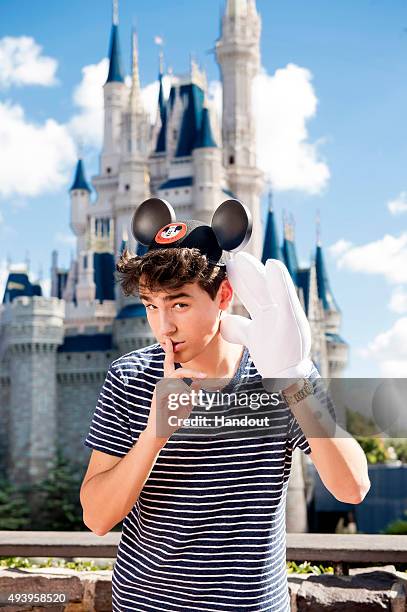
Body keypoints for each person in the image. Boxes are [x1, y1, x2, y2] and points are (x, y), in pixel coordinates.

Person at [80, 199, 370, 612]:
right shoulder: (130, 376)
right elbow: (97, 517)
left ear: (223, 296)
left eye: (179, 303)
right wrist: (154, 434)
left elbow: (353, 487)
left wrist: (293, 378)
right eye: (151, 305)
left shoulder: (277, 368)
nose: (164, 325)